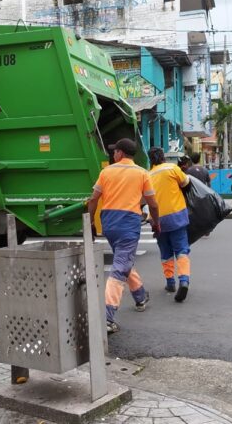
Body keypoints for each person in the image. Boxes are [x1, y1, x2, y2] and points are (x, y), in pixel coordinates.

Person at [88, 138, 158, 335]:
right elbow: (152, 203)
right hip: (128, 223)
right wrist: (157, 222)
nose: (113, 154)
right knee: (120, 268)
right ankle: (107, 318)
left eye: (114, 151)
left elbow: (93, 199)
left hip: (109, 223)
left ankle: (140, 296)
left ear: (120, 153)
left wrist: (91, 222)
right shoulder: (142, 173)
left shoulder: (106, 172)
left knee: (123, 259)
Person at [147, 147, 192, 303]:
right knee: (181, 250)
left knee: (165, 252)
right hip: (177, 216)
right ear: (163, 158)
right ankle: (184, 280)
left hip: (157, 219)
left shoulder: (147, 175)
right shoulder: (172, 168)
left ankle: (170, 283)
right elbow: (186, 183)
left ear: (150, 160)